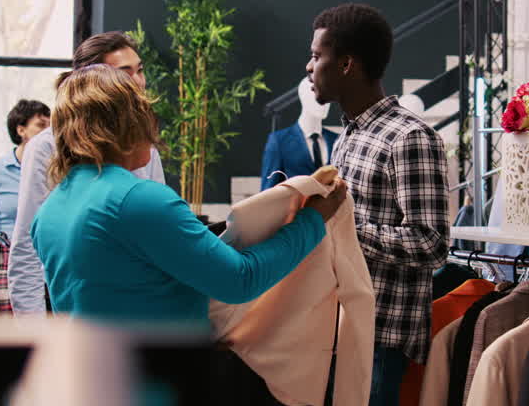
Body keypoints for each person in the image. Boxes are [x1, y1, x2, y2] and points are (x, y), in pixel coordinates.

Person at [30, 63, 346, 324]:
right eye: (144, 110)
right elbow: (241, 280)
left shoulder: (50, 210)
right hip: (154, 387)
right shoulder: (140, 200)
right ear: (128, 122)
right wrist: (313, 219)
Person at [305, 3, 449, 406]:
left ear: (347, 64)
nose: (308, 66)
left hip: (382, 340)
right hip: (344, 332)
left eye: (316, 55)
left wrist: (342, 227)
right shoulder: (350, 135)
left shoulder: (409, 138)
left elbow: (432, 244)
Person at [9, 31, 166, 314]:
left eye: (139, 71)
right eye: (124, 73)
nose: (138, 82)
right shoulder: (46, 146)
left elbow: (160, 229)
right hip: (77, 304)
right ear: (92, 82)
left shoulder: (144, 146)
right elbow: (26, 247)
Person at [0, 99, 51, 250]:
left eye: (50, 126)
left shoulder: (54, 169)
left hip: (45, 253)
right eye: (41, 125)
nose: (48, 132)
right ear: (21, 131)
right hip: (6, 255)